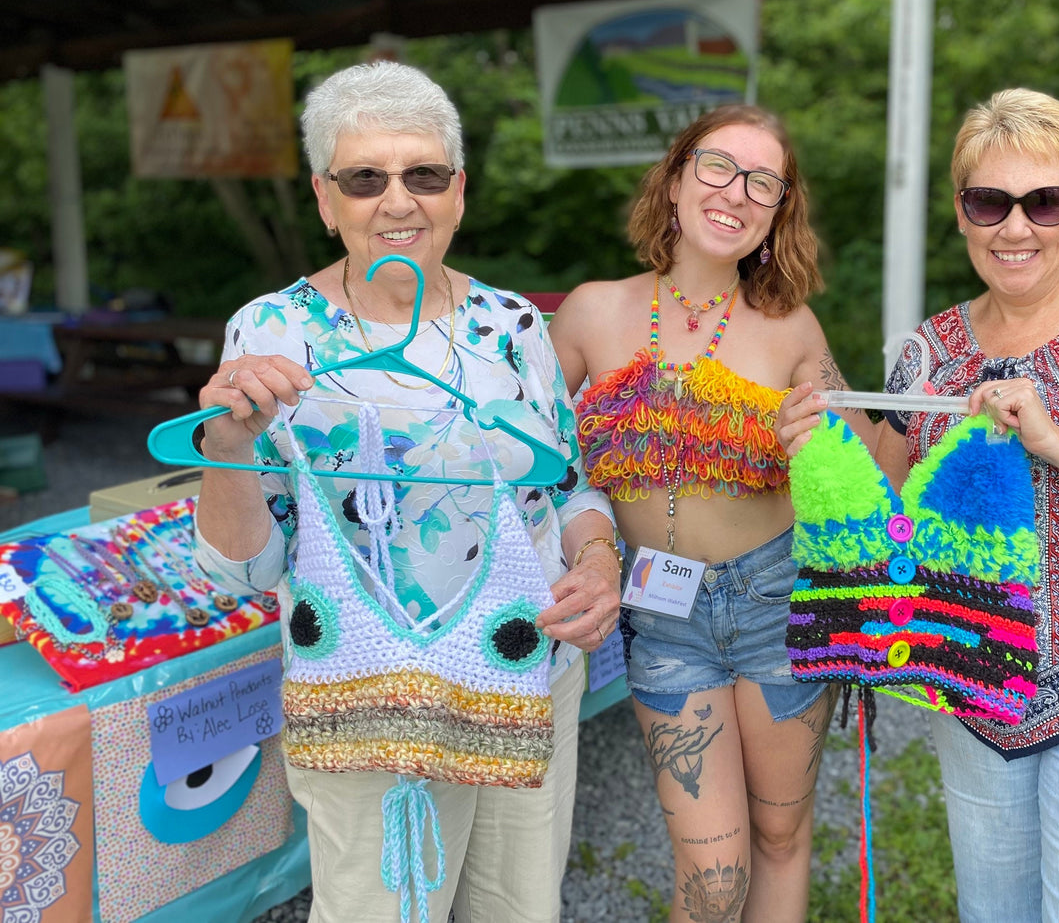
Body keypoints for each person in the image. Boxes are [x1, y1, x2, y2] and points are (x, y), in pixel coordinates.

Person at [778, 88, 1059, 923]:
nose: (1015, 227)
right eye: (989, 201)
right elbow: (888, 525)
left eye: (1044, 201)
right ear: (960, 213)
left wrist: (1058, 444)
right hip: (976, 689)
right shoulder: (927, 353)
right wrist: (819, 444)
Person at [190, 60, 621, 923]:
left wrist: (599, 558)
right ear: (325, 198)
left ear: (458, 191)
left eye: (423, 174)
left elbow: (571, 486)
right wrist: (227, 445)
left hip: (522, 672)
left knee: (518, 908)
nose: (398, 201)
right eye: (365, 178)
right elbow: (244, 571)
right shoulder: (269, 333)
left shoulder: (513, 325)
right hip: (366, 692)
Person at [547, 105, 867, 922]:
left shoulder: (790, 327)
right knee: (710, 870)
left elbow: (870, 473)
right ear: (678, 177)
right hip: (662, 615)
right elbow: (527, 454)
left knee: (780, 834)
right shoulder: (591, 312)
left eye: (764, 181)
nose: (737, 192)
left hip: (775, 605)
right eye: (719, 166)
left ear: (778, 211)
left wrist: (824, 442)